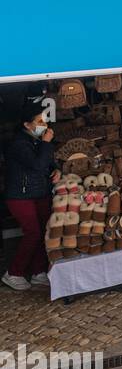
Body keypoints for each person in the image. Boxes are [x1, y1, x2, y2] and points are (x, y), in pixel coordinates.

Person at [2, 102, 58, 290]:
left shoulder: (37, 140)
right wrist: (46, 143)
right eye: (39, 120)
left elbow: (47, 162)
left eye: (44, 119)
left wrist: (56, 170)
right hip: (20, 195)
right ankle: (14, 273)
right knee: (32, 233)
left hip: (39, 192)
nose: (44, 123)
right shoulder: (19, 144)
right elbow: (36, 164)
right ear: (27, 125)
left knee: (43, 231)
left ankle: (38, 272)